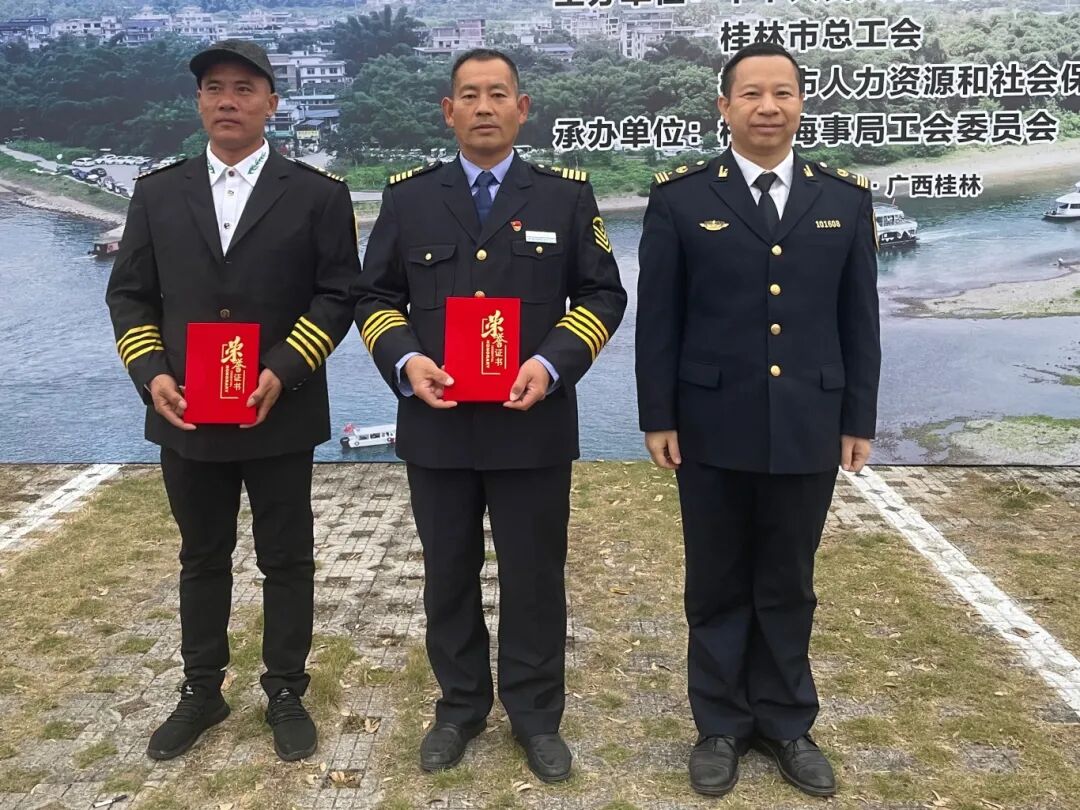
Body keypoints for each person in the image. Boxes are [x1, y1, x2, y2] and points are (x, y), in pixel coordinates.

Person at [355, 48, 626, 783]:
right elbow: (374, 296)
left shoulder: (564, 197)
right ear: (449, 111)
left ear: (521, 108)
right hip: (438, 424)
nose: (483, 107)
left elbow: (603, 294)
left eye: (498, 94)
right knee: (448, 573)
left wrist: (551, 363)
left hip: (532, 423)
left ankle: (536, 716)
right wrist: (407, 361)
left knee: (534, 577)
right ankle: (459, 708)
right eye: (469, 95)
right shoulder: (410, 198)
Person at [635, 42, 881, 798]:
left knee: (788, 581)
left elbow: (859, 321)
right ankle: (719, 725)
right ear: (725, 107)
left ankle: (785, 723)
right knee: (716, 580)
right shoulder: (680, 199)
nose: (767, 107)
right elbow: (659, 321)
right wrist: (658, 416)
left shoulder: (844, 199)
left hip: (809, 421)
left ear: (802, 103)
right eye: (751, 94)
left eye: (783, 93)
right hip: (710, 422)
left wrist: (858, 417)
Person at [105, 39, 361, 763]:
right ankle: (201, 690)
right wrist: (151, 372)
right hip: (186, 410)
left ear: (271, 103)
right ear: (198, 102)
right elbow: (130, 295)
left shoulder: (317, 194)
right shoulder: (158, 192)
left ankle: (285, 690)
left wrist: (286, 366)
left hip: (278, 409)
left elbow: (338, 293)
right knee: (202, 556)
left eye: (245, 89)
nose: (228, 100)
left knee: (287, 558)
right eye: (214, 87)